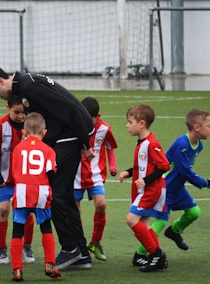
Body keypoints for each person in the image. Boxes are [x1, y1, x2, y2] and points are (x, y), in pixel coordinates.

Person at [0, 65, 95, 271]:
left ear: (0, 81)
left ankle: (70, 248)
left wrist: (85, 143)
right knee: (65, 195)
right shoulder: (24, 86)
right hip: (68, 134)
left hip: (72, 134)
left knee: (55, 193)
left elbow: (71, 108)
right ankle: (81, 253)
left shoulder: (29, 87)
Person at [133, 108, 210, 264]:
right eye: (208, 125)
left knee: (194, 212)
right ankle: (140, 254)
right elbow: (184, 171)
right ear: (196, 127)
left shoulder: (198, 146)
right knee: (160, 222)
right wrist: (205, 183)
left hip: (178, 188)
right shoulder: (182, 144)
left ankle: (174, 231)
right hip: (165, 188)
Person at [10, 112, 61, 281]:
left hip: (23, 191)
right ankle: (50, 265)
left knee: (18, 230)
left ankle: (17, 269)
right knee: (46, 227)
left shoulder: (18, 148)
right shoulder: (48, 150)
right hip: (41, 191)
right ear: (44, 133)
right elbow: (50, 172)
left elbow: (15, 172)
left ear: (23, 132)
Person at [119, 104, 170, 272]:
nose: (127, 125)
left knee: (131, 220)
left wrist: (146, 181)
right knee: (145, 224)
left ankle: (155, 254)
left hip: (151, 189)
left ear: (141, 124)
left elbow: (164, 166)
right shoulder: (141, 142)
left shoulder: (151, 143)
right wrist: (128, 172)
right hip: (146, 188)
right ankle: (158, 257)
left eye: (130, 122)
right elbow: (142, 165)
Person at [0, 95, 35, 264]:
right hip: (5, 177)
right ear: (8, 108)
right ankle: (2, 250)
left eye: (23, 112)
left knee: (27, 211)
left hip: (24, 178)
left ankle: (27, 247)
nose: (21, 116)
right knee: (3, 210)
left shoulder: (30, 127)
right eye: (17, 112)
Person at [74, 97, 118, 264]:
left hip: (95, 175)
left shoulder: (105, 129)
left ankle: (95, 242)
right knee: (74, 211)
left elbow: (110, 147)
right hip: (76, 175)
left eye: (89, 118)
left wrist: (112, 166)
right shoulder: (74, 127)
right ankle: (79, 245)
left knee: (101, 204)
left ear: (98, 116)